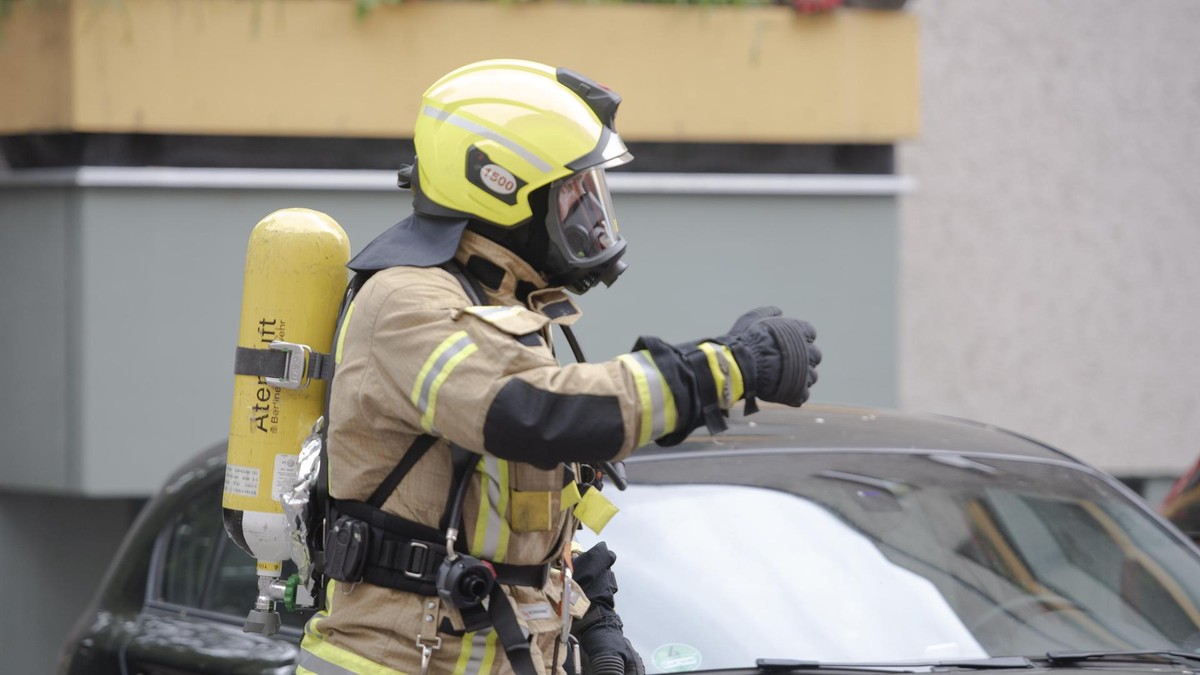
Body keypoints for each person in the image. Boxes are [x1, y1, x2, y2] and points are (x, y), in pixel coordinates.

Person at [295, 59, 822, 675]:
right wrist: (723, 368)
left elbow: (508, 519)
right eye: (572, 192)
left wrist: (591, 614)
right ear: (497, 186)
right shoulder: (407, 302)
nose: (591, 212)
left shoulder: (503, 304)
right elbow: (534, 413)